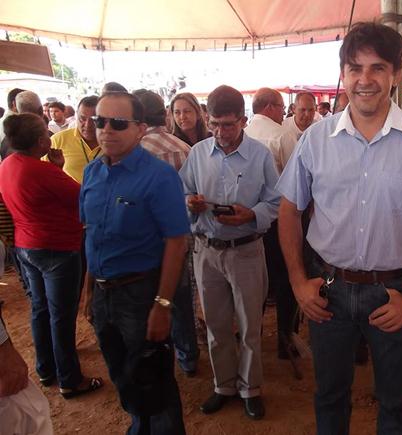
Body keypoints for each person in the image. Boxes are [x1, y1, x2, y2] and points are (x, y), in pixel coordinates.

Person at [277, 22, 402, 434]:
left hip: (394, 292)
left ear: (395, 74)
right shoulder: (316, 140)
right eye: (355, 68)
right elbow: (289, 210)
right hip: (327, 292)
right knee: (329, 396)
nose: (365, 80)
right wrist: (297, 282)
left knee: (397, 404)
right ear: (343, 74)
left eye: (377, 68)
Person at [81, 92, 189, 434]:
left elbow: (176, 242)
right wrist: (89, 291)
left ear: (140, 129)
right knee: (121, 373)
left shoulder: (159, 177)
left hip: (141, 294)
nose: (106, 130)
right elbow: (92, 235)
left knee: (153, 379)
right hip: (103, 294)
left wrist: (162, 305)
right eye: (100, 121)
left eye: (117, 123)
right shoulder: (92, 173)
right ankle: (138, 426)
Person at [179, 85, 280, 420]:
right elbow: (183, 190)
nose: (220, 133)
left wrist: (251, 214)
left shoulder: (260, 155)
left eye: (228, 125)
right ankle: (223, 385)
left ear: (243, 120)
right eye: (214, 124)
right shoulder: (198, 153)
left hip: (246, 251)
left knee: (250, 325)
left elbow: (277, 201)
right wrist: (190, 202)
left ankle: (250, 389)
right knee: (216, 324)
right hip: (206, 251)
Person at [0, 113, 103, 398]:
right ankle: (70, 379)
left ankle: (46, 369)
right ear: (40, 141)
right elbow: (83, 198)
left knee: (40, 309)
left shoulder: (8, 164)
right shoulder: (41, 171)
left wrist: (55, 168)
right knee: (62, 316)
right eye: (46, 133)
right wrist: (57, 170)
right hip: (57, 249)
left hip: (27, 246)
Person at [134, 89, 200, 377]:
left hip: (143, 241)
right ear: (164, 114)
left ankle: (156, 354)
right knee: (181, 299)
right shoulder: (183, 149)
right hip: (180, 237)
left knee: (147, 298)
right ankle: (188, 356)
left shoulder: (131, 152)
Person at [244, 88, 299, 359]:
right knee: (285, 279)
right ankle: (285, 340)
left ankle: (252, 339)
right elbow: (296, 179)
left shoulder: (242, 135)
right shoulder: (281, 135)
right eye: (281, 106)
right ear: (269, 107)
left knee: (254, 284)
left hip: (247, 221)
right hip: (278, 220)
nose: (283, 112)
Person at [49, 96, 100, 183]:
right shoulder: (58, 140)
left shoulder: (112, 143)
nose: (88, 125)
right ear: (76, 116)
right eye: (82, 119)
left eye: (94, 120)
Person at [280, 92, 317, 169]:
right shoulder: (283, 126)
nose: (307, 114)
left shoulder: (320, 128)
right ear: (294, 109)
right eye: (303, 110)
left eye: (311, 110)